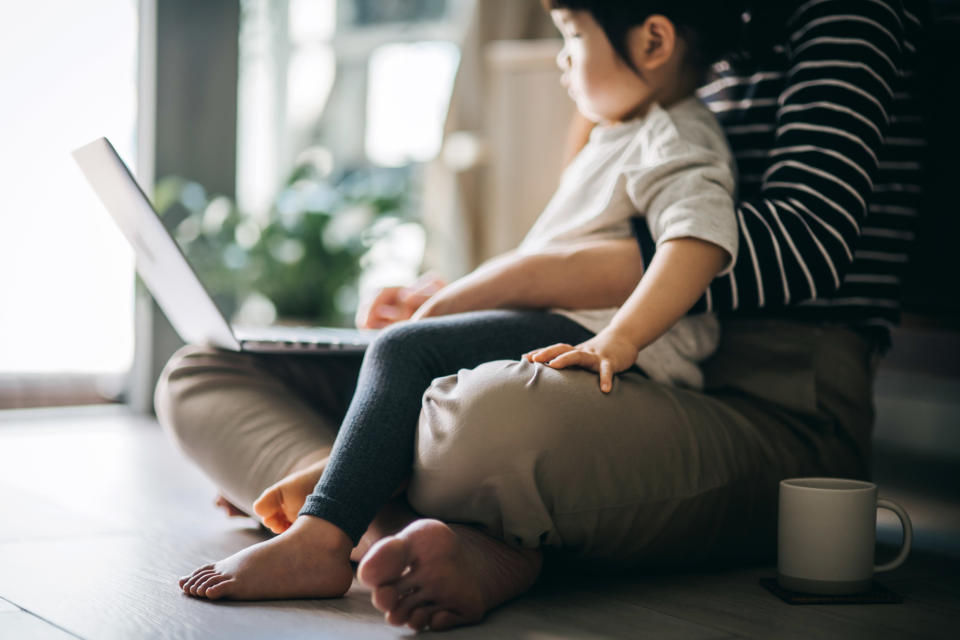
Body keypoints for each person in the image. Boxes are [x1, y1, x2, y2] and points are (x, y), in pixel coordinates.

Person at [160, 0, 924, 632]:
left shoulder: (797, 48)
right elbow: (588, 247)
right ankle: (402, 528)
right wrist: (457, 296)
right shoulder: (653, 89)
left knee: (477, 415)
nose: (564, 56)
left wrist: (508, 294)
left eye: (570, 36)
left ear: (654, 40)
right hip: (599, 352)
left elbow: (781, 242)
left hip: (756, 394)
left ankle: (340, 509)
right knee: (204, 371)